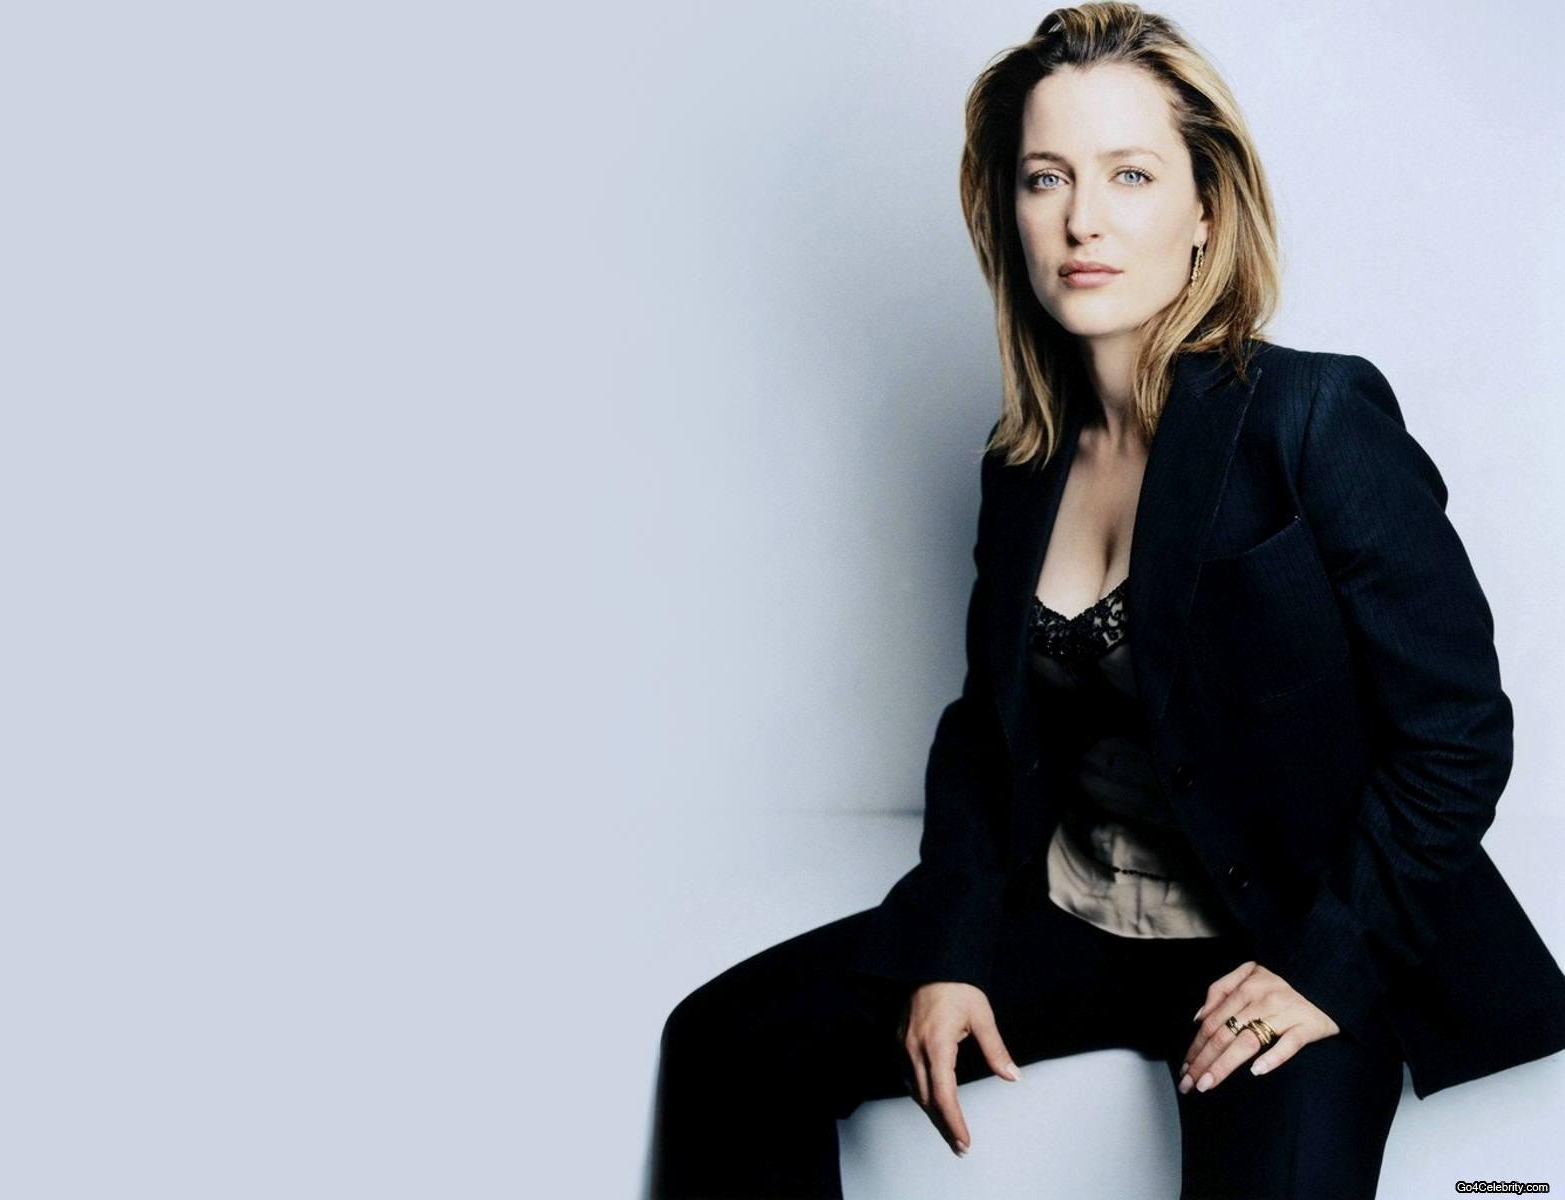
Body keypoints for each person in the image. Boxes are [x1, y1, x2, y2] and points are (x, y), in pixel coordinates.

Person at [650, 5, 1565, 1198]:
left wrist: (1325, 965)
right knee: (730, 1042)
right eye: (1047, 177)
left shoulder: (1313, 418)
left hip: (1286, 933)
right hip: (1078, 915)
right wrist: (951, 945)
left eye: (1129, 174)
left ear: (1204, 210)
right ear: (1009, 211)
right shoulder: (1021, 463)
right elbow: (986, 737)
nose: (1082, 218)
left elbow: (1454, 734)